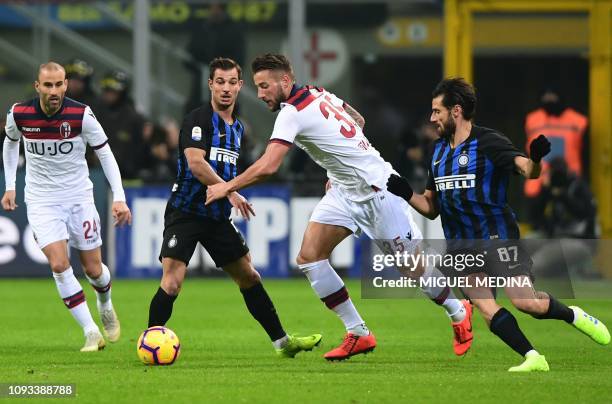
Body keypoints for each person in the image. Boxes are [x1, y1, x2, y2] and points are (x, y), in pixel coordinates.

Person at [206, 53, 473, 361]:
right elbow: (357, 120)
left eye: (265, 86)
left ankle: (458, 311)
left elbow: (269, 166)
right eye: (258, 86)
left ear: (285, 81)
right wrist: (338, 169)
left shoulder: (292, 113)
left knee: (412, 268)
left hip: (378, 189)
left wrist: (226, 186)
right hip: (344, 191)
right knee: (309, 257)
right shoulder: (319, 93)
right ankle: (358, 332)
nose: (261, 93)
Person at [386, 77, 610, 371]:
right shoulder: (437, 153)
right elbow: (430, 208)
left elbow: (528, 171)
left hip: (498, 237)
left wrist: (537, 159)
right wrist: (406, 193)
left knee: (526, 302)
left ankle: (573, 315)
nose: (432, 118)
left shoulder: (489, 142)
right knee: (486, 307)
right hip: (461, 246)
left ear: (456, 111)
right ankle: (533, 357)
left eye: (437, 111)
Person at [147, 57, 321, 358]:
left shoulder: (238, 128)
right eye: (220, 82)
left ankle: (282, 343)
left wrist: (230, 191)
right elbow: (196, 164)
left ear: (240, 86)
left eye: (232, 83)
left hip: (216, 218)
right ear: (211, 84)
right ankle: (148, 343)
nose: (226, 89)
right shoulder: (197, 119)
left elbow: (232, 173)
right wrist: (231, 192)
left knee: (249, 276)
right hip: (186, 212)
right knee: (173, 282)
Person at [2, 62, 131, 351]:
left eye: (59, 84)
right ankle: (90, 331)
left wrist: (119, 197)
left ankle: (105, 302)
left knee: (94, 269)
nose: (54, 91)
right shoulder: (19, 114)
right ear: (37, 87)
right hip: (41, 200)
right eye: (47, 85)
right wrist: (10, 185)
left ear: (66, 85)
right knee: (60, 264)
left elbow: (106, 154)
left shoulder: (81, 115)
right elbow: (11, 143)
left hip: (79, 198)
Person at [96, 70, 149, 181]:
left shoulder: (134, 117)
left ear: (123, 92)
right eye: (107, 90)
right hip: (98, 173)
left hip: (127, 176)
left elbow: (140, 151)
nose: (109, 94)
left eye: (113, 91)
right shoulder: (95, 112)